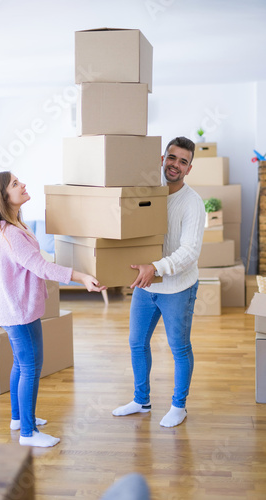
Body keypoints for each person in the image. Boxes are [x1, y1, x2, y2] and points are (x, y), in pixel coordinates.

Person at [0, 171, 106, 448]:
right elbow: (41, 267)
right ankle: (28, 433)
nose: (23, 184)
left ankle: (19, 419)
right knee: (30, 367)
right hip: (18, 311)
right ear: (3, 197)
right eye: (15, 184)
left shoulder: (8, 227)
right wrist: (82, 276)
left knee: (21, 363)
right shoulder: (11, 233)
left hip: (15, 308)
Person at [112, 137, 205, 427]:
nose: (175, 165)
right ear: (161, 158)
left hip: (177, 287)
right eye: (172, 158)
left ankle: (179, 406)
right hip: (147, 285)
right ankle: (142, 401)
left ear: (189, 168)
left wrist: (156, 267)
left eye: (183, 161)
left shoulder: (192, 203)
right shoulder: (148, 191)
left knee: (179, 347)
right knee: (137, 343)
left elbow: (190, 251)